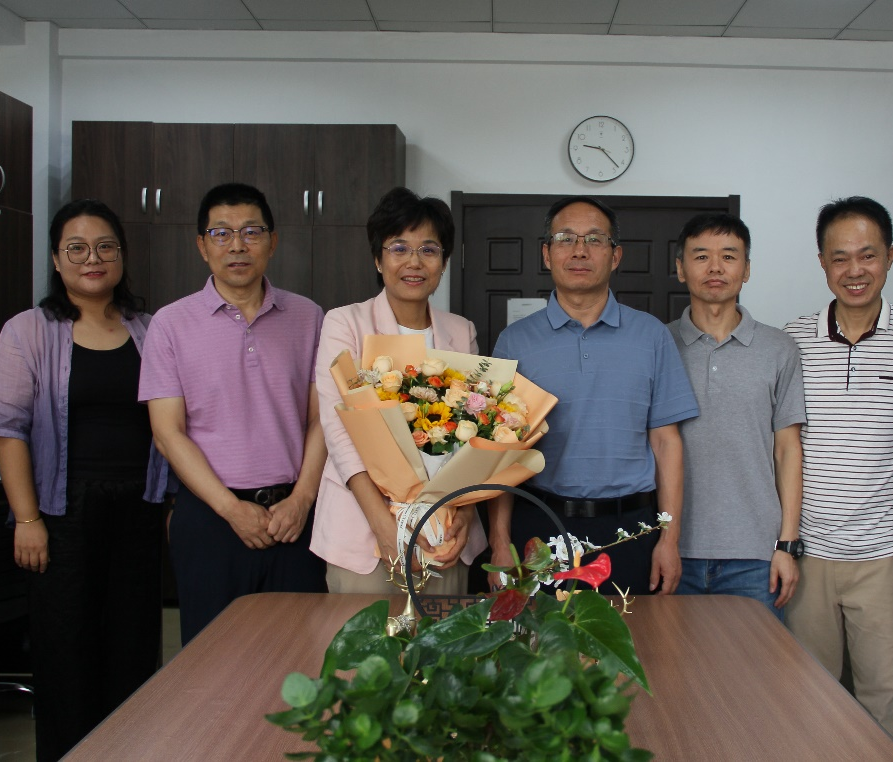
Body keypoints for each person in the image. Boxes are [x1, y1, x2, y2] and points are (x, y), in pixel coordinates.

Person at [0, 199, 168, 762]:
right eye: (78, 248)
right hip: (62, 514)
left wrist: (169, 505)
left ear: (122, 256)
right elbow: (7, 429)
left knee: (134, 650)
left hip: (139, 510)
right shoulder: (27, 331)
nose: (93, 258)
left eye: (106, 246)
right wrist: (27, 519)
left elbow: (173, 424)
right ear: (56, 259)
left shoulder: (149, 329)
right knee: (66, 655)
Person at [141, 182, 326, 645]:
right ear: (202, 246)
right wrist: (230, 509)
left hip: (294, 516)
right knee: (213, 659)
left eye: (251, 232)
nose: (237, 245)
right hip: (211, 519)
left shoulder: (308, 317)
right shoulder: (170, 323)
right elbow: (167, 433)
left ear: (272, 241)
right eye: (221, 233)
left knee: (299, 654)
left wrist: (303, 499)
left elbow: (321, 419)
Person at [488, 196, 699, 595]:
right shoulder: (515, 341)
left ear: (615, 256)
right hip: (539, 525)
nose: (580, 250)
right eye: (566, 238)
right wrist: (500, 542)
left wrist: (669, 540)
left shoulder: (651, 336)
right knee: (539, 635)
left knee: (635, 633)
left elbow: (666, 442)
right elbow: (499, 452)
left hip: (631, 530)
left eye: (595, 239)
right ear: (547, 254)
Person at [782, 197, 893, 744]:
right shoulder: (791, 341)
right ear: (822, 262)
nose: (854, 270)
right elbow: (780, 445)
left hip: (884, 555)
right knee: (806, 696)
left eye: (867, 255)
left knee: (884, 699)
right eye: (839, 257)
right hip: (807, 554)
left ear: (889, 256)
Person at [309, 187, 483, 594]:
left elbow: (478, 435)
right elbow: (339, 431)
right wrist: (384, 527)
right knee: (368, 637)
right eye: (399, 248)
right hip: (364, 534)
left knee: (444, 636)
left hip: (444, 535)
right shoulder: (345, 324)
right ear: (378, 258)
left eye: (429, 250)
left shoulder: (461, 331)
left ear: (443, 262)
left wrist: (466, 514)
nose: (414, 262)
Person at [668, 212, 805, 619]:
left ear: (746, 270)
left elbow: (787, 449)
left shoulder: (779, 348)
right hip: (671, 550)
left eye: (728, 256)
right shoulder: (657, 344)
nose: (715, 268)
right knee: (669, 659)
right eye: (701, 256)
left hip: (756, 556)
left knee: (756, 662)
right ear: (680, 268)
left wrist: (787, 545)